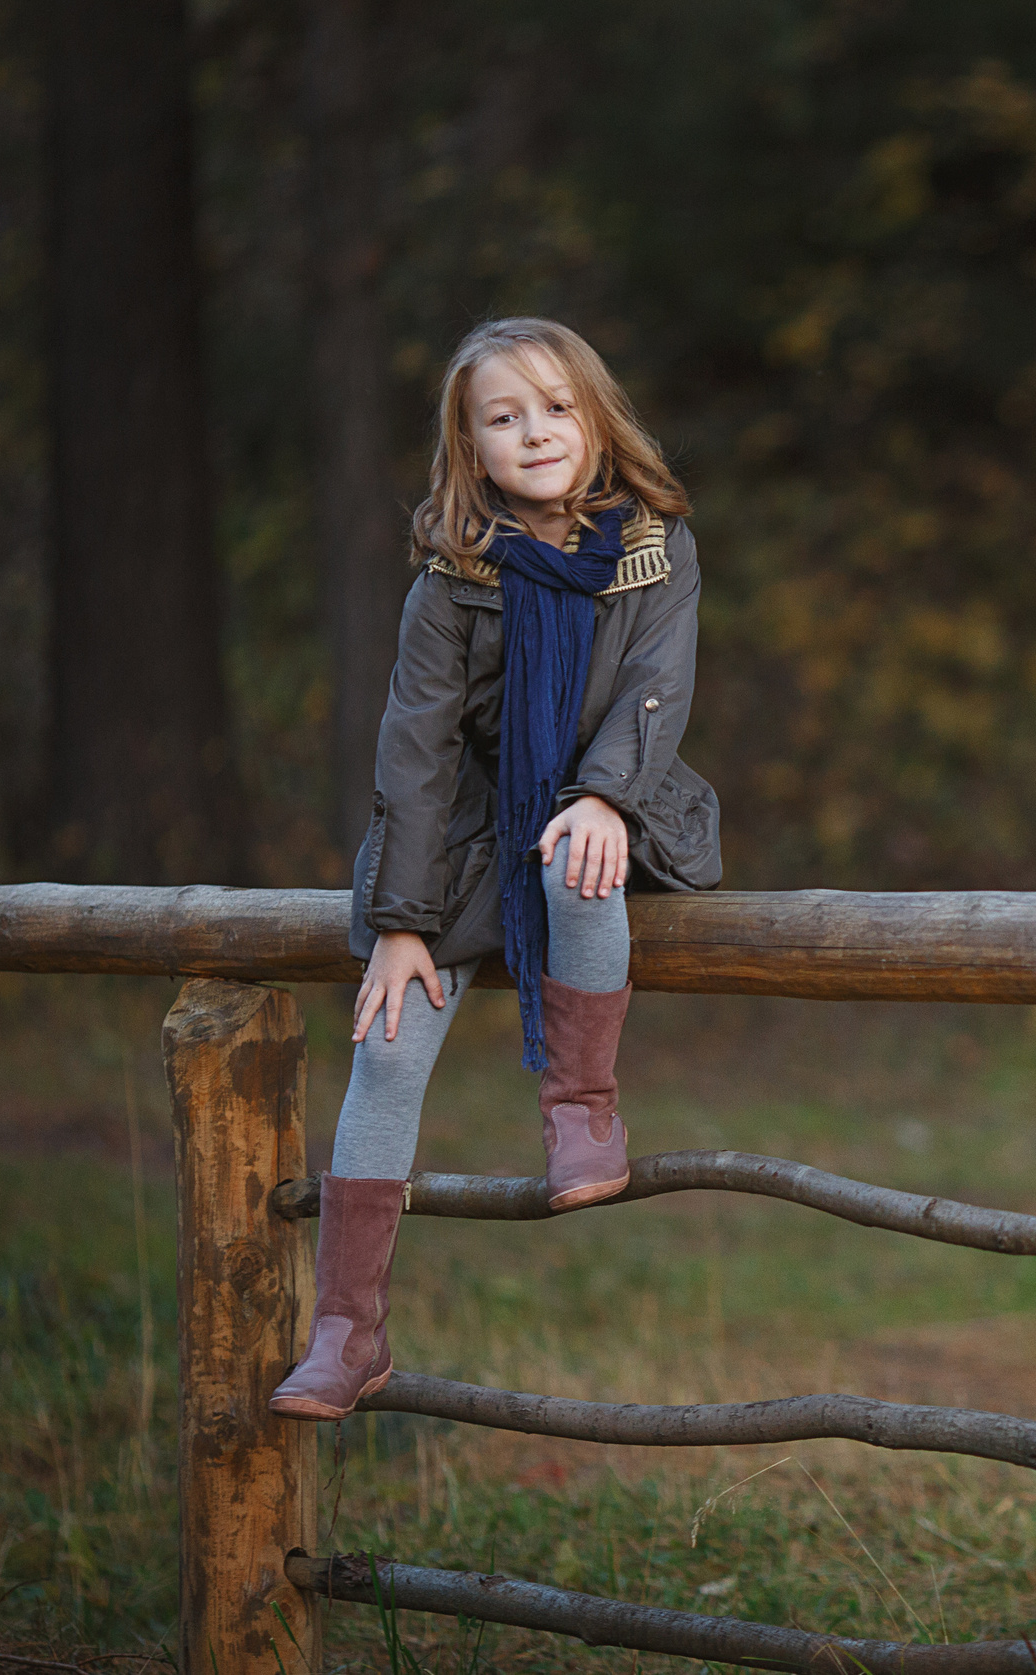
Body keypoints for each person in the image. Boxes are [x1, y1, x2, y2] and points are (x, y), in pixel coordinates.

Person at [271, 317, 720, 1421]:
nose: (535, 432)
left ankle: (582, 1109)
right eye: (504, 417)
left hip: (615, 811)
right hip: (469, 843)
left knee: (576, 861)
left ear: (596, 418)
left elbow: (657, 687)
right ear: (470, 446)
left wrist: (603, 794)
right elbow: (415, 753)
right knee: (386, 1046)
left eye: (556, 408)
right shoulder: (449, 582)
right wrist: (402, 922)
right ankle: (348, 1330)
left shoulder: (657, 547)